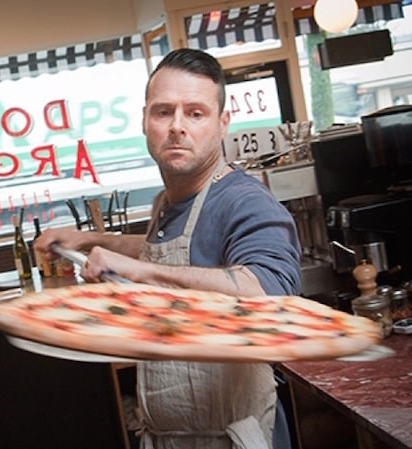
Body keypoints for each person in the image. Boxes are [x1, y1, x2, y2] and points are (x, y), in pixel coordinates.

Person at [34, 48, 301, 449]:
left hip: (234, 439)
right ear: (144, 120)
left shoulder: (245, 201)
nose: (177, 126)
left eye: (195, 113)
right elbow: (174, 252)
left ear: (222, 122)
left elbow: (271, 296)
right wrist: (90, 240)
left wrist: (141, 272)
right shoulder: (171, 200)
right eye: (163, 112)